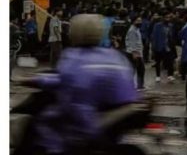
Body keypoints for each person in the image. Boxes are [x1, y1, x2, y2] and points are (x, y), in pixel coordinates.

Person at [21, 14, 139, 154]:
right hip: (118, 118)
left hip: (84, 123)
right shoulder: (116, 56)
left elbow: (63, 80)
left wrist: (35, 80)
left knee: (44, 123)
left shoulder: (72, 56)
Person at [151, 12, 176, 83]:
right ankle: (158, 76)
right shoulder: (157, 26)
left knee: (170, 61)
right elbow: (154, 37)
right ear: (162, 18)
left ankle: (170, 75)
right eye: (166, 17)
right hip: (159, 46)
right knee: (158, 61)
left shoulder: (171, 26)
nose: (167, 19)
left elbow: (172, 36)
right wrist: (154, 47)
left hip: (168, 46)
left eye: (168, 18)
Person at [125, 17, 146, 90]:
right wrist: (134, 53)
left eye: (140, 20)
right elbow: (132, 42)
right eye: (138, 21)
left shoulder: (136, 29)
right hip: (134, 53)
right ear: (133, 21)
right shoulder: (132, 30)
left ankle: (139, 85)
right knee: (137, 70)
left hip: (138, 53)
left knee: (139, 70)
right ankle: (135, 85)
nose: (140, 22)